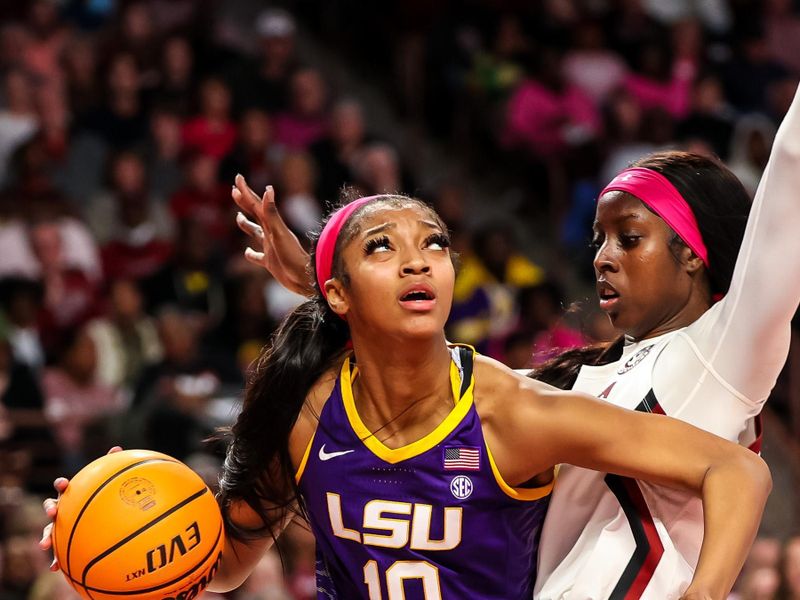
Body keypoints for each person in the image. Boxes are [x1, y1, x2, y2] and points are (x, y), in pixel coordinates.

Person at [221, 80, 800, 598]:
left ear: (694, 255)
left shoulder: (723, 347)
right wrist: (328, 287)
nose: (602, 258)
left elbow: (790, 179)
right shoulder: (580, 381)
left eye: (628, 238)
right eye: (599, 239)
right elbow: (418, 374)